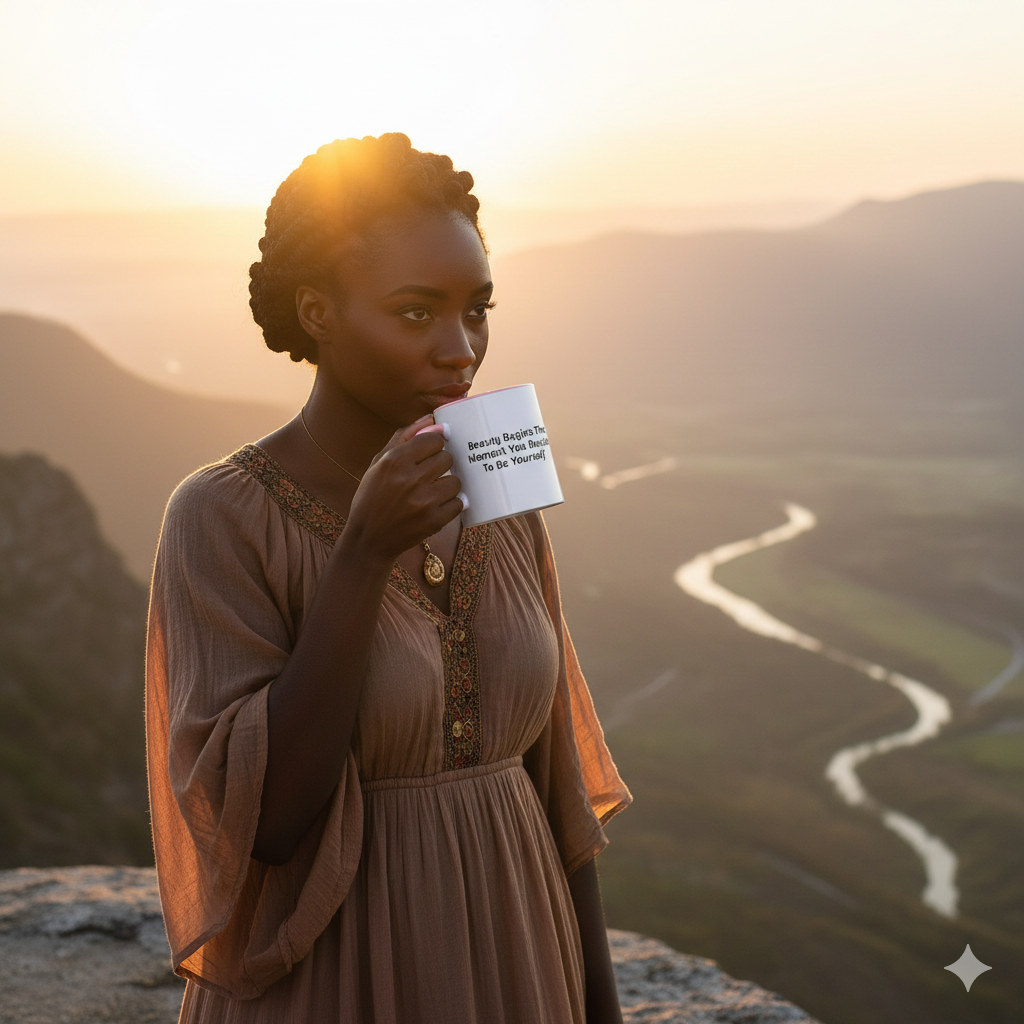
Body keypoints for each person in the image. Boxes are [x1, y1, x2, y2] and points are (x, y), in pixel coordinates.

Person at [145, 133, 631, 1024]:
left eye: (477, 310)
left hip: (519, 966)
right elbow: (268, 824)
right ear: (319, 311)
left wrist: (601, 1012)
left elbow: (556, 786)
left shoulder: (493, 467)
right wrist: (362, 554)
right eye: (416, 313)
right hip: (333, 983)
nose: (461, 351)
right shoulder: (217, 517)